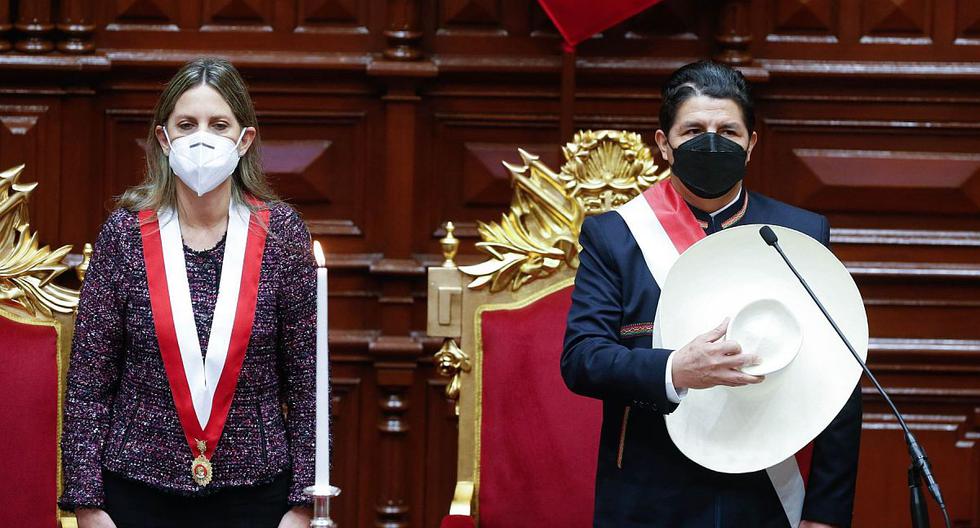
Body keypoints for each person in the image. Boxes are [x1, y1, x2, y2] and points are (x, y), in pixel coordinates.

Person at [561, 60, 862, 528]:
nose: (711, 142)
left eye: (728, 131)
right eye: (694, 130)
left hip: (765, 491)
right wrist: (674, 369)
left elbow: (839, 376)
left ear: (751, 144)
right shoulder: (617, 237)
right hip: (651, 491)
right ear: (664, 143)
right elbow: (583, 358)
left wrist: (826, 512)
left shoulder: (800, 232)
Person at [59, 57, 316, 528]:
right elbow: (88, 385)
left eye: (219, 124)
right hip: (135, 491)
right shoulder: (123, 236)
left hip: (257, 493)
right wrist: (86, 504)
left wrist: (304, 504)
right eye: (187, 124)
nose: (203, 137)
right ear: (163, 138)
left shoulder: (282, 235)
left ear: (244, 140)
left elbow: (307, 383)